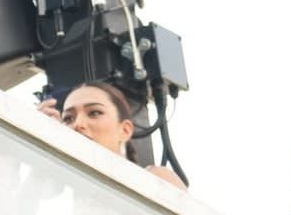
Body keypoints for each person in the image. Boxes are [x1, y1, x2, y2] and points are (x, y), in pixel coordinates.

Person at [36, 81, 187, 189]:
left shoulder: (156, 180)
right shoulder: (61, 201)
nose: (78, 124)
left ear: (125, 130)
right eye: (68, 118)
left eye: (94, 113)